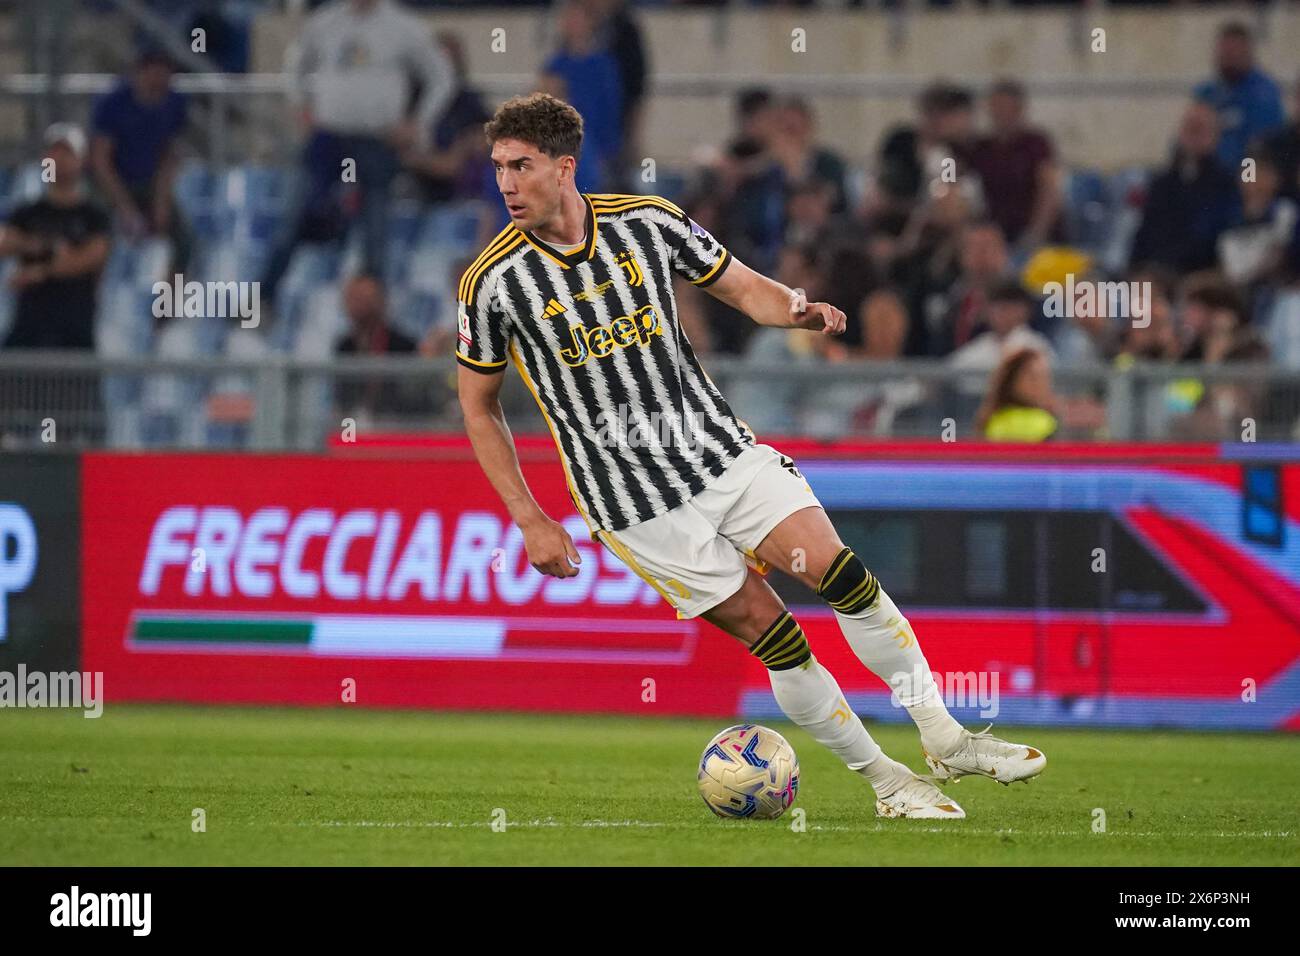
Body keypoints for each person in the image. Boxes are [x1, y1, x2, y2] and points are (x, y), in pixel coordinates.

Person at [456, 92, 1045, 821]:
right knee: (781, 642)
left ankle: (944, 734)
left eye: (521, 165)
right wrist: (529, 520)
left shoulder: (648, 223)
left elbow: (740, 287)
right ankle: (890, 783)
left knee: (844, 576)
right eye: (499, 167)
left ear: (564, 166)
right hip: (632, 505)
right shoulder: (494, 283)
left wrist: (798, 306)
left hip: (720, 455)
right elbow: (478, 406)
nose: (505, 182)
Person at [263, 0, 455, 304]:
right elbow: (295, 64)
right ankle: (264, 300)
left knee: (374, 230)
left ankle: (372, 318)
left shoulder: (402, 25)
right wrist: (301, 105)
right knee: (295, 215)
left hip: (376, 141)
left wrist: (418, 123)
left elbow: (441, 76)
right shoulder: (324, 22)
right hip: (328, 139)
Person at [0, 124, 111, 351]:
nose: (58, 160)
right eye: (53, 152)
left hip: (74, 332)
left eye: (67, 153)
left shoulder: (93, 215)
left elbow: (91, 257)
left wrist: (42, 271)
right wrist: (39, 245)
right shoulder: (27, 212)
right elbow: (5, 242)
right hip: (29, 332)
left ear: (81, 160)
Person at [89, 48, 190, 271]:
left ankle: (168, 300)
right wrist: (125, 208)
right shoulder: (112, 103)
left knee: (185, 240)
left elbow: (170, 154)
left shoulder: (175, 102)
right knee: (95, 234)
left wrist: (161, 200)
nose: (159, 81)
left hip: (148, 182)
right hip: (111, 183)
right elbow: (100, 160)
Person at [1129, 100, 1240, 276]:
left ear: (1215, 135)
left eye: (1200, 129)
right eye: (1189, 129)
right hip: (1154, 270)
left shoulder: (1226, 184)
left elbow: (1213, 236)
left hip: (1197, 272)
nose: (1193, 136)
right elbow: (1144, 232)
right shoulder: (1162, 183)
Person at [969, 79, 1062, 250]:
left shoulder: (1036, 144)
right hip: (994, 231)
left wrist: (1036, 232)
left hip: (1030, 229)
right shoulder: (981, 147)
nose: (999, 112)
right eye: (995, 106)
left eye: (1005, 107)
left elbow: (1049, 189)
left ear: (1019, 109)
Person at [1193, 21, 1285, 169]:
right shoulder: (1206, 93)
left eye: (1234, 51)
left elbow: (1260, 148)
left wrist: (1247, 183)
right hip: (1210, 180)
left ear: (1248, 53)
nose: (1228, 56)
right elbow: (1188, 139)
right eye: (1224, 51)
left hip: (1246, 178)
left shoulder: (1263, 94)